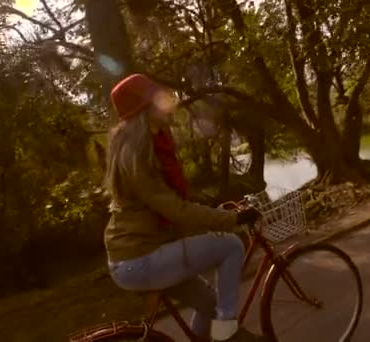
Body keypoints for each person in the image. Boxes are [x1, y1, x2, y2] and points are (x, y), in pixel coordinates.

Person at [103, 73, 264, 341]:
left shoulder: (153, 144)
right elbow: (174, 209)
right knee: (232, 245)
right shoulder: (138, 155)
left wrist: (218, 212)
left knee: (211, 304)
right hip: (140, 258)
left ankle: (220, 330)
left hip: (144, 252)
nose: (167, 103)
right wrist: (229, 220)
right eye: (158, 100)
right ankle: (229, 333)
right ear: (144, 109)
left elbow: (177, 201)